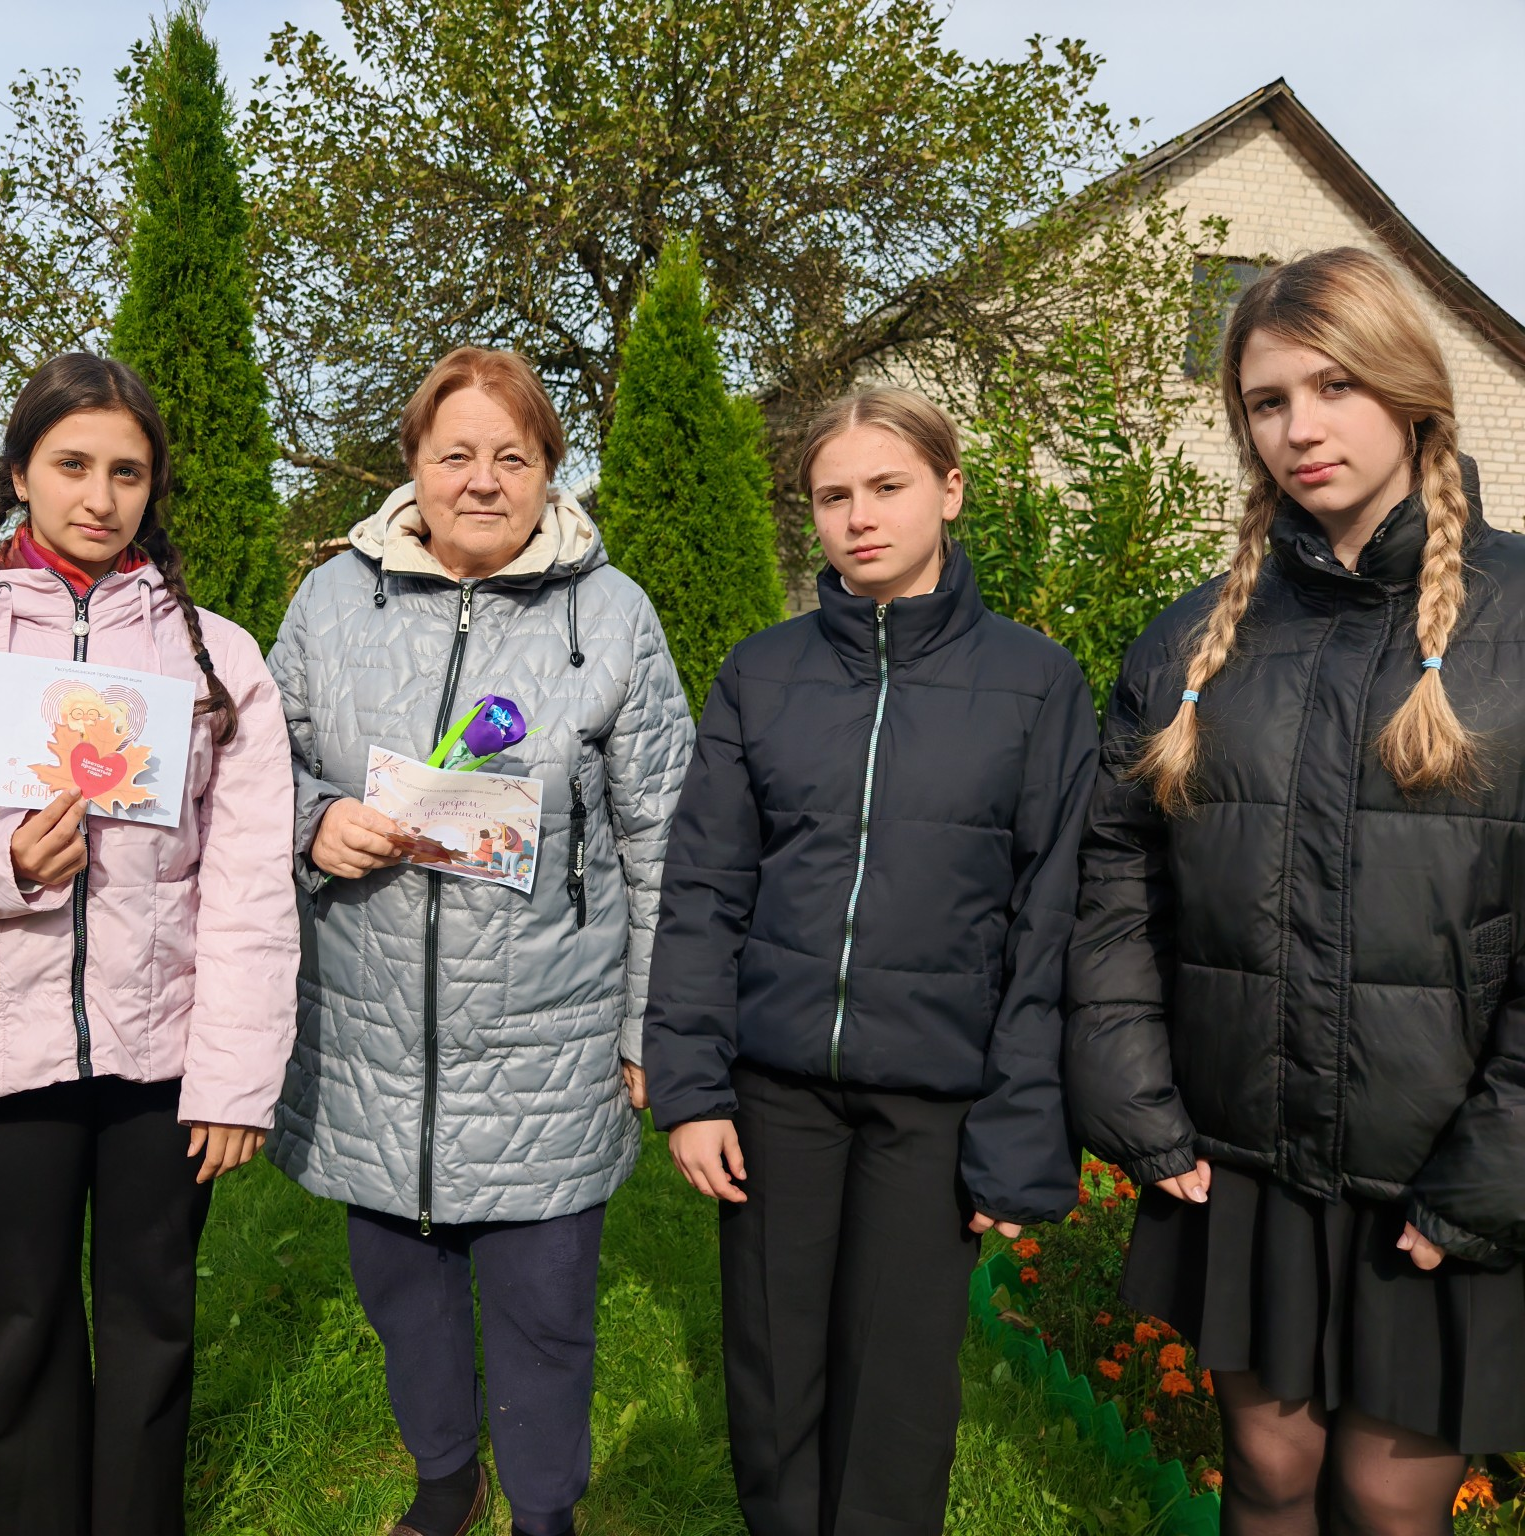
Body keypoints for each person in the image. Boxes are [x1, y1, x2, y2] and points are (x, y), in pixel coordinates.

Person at [1066, 247, 1525, 1536]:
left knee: (1387, 1503)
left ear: (1407, 390)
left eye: (1332, 387)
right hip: (1244, 1160)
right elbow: (1115, 886)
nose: (1298, 429)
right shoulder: (1187, 643)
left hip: (1438, 1164)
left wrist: (1493, 1171)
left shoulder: (1513, 626)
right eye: (1265, 401)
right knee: (1265, 1477)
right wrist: (1130, 1094)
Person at [0, 353, 299, 1536]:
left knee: (152, 1320)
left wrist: (234, 1079)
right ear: (19, 474)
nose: (99, 498)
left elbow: (250, 886)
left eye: (127, 473)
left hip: (164, 1056)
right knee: (19, 1323)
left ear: (154, 487)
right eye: (71, 465)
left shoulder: (217, 660)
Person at [643, 386, 1097, 1536]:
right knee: (772, 1377)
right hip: (774, 1094)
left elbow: (1047, 918)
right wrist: (690, 1090)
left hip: (930, 1102)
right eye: (831, 495)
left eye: (886, 487)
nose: (858, 517)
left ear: (948, 490)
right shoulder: (761, 673)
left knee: (895, 1394)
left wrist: (1019, 1133)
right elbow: (703, 889)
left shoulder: (1034, 684)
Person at [268, 346, 693, 1536]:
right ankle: (444, 1477)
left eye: (512, 456)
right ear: (412, 465)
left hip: (546, 1038)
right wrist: (314, 822)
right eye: (454, 453)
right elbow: (253, 773)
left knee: (544, 1310)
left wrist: (648, 1026)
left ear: (550, 470)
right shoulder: (328, 605)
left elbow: (663, 837)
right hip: (371, 1036)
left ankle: (543, 1511)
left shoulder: (611, 616)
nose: (482, 480)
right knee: (400, 1292)